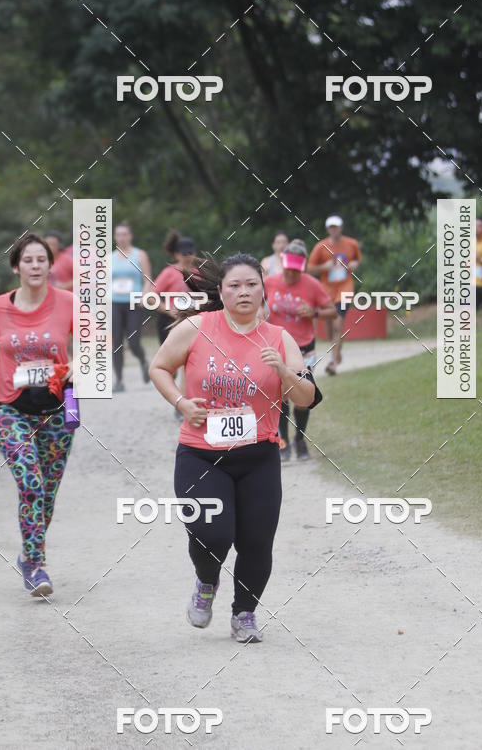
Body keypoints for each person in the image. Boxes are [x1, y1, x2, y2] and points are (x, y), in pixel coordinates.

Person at [149, 253, 319, 643]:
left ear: (264, 290)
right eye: (234, 286)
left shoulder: (280, 338)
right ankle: (206, 581)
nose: (244, 292)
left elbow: (307, 398)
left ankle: (244, 613)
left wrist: (283, 371)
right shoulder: (196, 328)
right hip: (201, 454)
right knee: (211, 534)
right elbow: (159, 367)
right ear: (221, 291)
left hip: (258, 455)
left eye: (251, 285)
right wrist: (181, 402)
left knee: (256, 542)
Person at [0, 234, 76, 596]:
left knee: (46, 494)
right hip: (9, 409)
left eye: (41, 260)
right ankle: (35, 565)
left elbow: (97, 340)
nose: (35, 266)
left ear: (50, 265)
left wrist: (78, 364)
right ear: (16, 267)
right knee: (31, 483)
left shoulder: (68, 303)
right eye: (28, 260)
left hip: (56, 411)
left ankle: (28, 553)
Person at [264, 239, 335, 461]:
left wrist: (314, 313)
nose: (291, 274)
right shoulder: (269, 282)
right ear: (282, 263)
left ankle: (300, 439)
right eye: (288, 269)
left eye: (296, 270)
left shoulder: (312, 285)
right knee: (282, 396)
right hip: (278, 347)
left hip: (304, 348)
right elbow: (255, 304)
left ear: (302, 267)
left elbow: (332, 311)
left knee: (303, 397)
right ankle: (283, 442)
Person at [307, 215, 361, 374]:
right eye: (331, 227)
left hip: (345, 288)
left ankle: (332, 362)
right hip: (326, 291)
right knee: (330, 327)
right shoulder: (320, 247)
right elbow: (310, 268)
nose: (334, 230)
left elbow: (357, 259)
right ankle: (337, 352)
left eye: (336, 227)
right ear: (327, 229)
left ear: (341, 228)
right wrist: (324, 267)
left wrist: (354, 264)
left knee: (338, 324)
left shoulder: (351, 244)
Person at [111, 221, 152, 391]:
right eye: (118, 235)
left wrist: (144, 294)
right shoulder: (109, 258)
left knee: (133, 341)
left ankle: (143, 360)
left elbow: (148, 279)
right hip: (114, 303)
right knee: (116, 343)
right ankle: (119, 380)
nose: (121, 238)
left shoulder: (139, 255)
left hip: (134, 302)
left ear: (130, 236)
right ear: (115, 237)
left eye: (124, 234)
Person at [154, 231, 197, 345]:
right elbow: (151, 297)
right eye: (184, 254)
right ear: (177, 255)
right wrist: (169, 310)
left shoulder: (200, 273)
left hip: (193, 319)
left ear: (195, 253)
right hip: (170, 320)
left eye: (190, 253)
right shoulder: (169, 272)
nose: (187, 256)